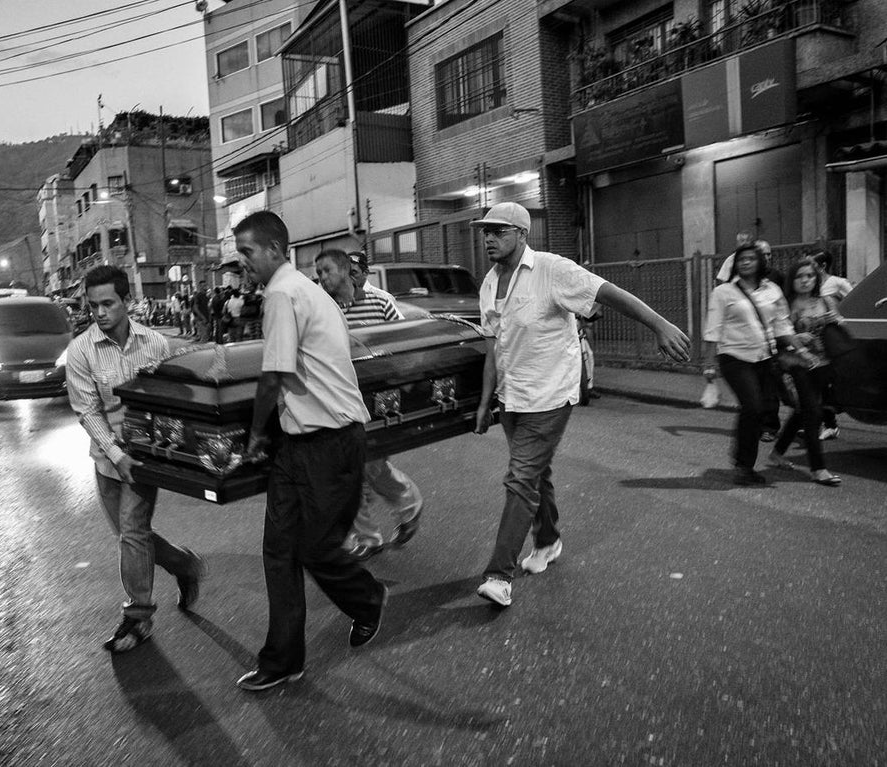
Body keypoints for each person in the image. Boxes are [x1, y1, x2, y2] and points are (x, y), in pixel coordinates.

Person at [471, 202, 690, 608]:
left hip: (552, 394)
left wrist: (659, 324)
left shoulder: (553, 270)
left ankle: (499, 575)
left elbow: (609, 293)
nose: (488, 238)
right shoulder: (488, 284)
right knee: (537, 472)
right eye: (485, 231)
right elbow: (493, 349)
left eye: (498, 231)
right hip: (513, 397)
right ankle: (549, 539)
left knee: (520, 477)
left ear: (522, 234)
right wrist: (486, 403)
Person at [233, 211, 386, 692]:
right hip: (297, 443)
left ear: (276, 249)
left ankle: (368, 599)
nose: (243, 263)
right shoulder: (307, 290)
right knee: (278, 553)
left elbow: (273, 373)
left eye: (248, 252)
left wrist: (255, 434)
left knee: (316, 549)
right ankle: (283, 659)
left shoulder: (284, 292)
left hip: (329, 443)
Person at [65, 264, 207, 654]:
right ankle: (185, 565)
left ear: (127, 302)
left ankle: (138, 616)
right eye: (93, 305)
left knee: (131, 531)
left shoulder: (155, 344)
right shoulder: (80, 351)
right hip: (106, 460)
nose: (99, 312)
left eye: (108, 303)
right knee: (132, 536)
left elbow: (173, 397)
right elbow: (86, 411)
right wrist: (114, 453)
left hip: (146, 459)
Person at [314, 249, 424, 559]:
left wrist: (403, 383)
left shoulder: (381, 301)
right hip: (341, 397)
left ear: (350, 271)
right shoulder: (325, 307)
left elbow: (403, 342)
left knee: (366, 467)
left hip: (380, 398)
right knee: (357, 468)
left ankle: (392, 517)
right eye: (318, 273)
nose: (321, 278)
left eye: (327, 271)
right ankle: (380, 526)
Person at [703, 242, 795, 487]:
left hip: (765, 357)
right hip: (734, 357)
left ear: (760, 262)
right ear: (735, 264)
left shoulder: (772, 290)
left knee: (763, 410)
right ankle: (743, 467)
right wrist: (709, 362)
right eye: (740, 259)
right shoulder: (723, 292)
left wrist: (797, 344)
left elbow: (782, 323)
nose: (745, 262)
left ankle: (745, 462)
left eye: (750, 258)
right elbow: (713, 327)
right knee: (752, 406)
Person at [767, 258, 842, 486]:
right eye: (800, 276)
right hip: (797, 363)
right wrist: (795, 338)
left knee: (802, 411)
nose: (805, 280)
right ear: (792, 280)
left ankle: (777, 453)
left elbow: (841, 325)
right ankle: (818, 468)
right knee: (813, 412)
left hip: (824, 363)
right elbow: (774, 334)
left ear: (816, 278)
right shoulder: (785, 305)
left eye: (809, 275)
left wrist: (835, 320)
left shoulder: (826, 300)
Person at [810, 251, 849, 440]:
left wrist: (838, 317)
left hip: (832, 338)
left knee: (827, 383)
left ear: (823, 266)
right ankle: (823, 422)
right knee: (818, 384)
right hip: (815, 339)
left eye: (812, 265)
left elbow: (853, 301)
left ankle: (829, 422)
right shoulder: (810, 285)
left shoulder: (837, 283)